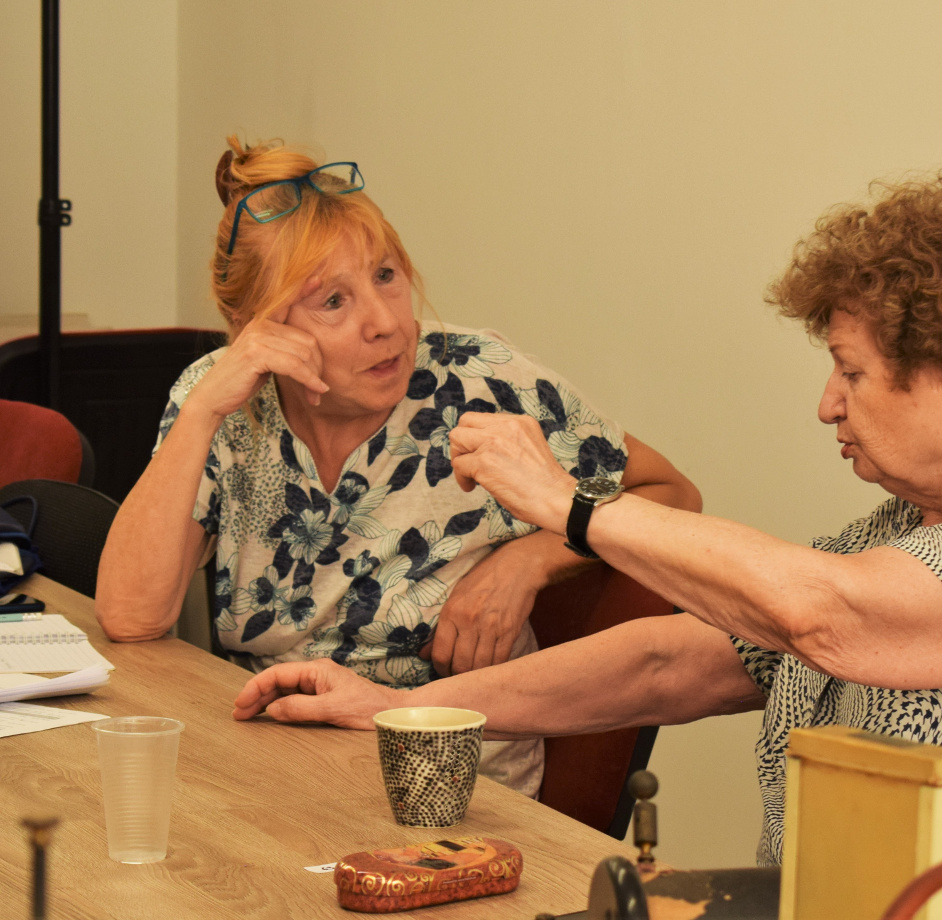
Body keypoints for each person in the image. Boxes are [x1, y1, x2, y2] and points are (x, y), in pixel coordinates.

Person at [232, 169, 942, 920]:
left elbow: (828, 616)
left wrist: (568, 505)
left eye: (851, 373)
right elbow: (666, 664)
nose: (828, 404)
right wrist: (404, 710)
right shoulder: (890, 535)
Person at [95, 137, 701, 798]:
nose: (385, 322)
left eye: (386, 276)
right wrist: (203, 409)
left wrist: (528, 562)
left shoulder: (478, 379)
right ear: (254, 329)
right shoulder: (222, 401)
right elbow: (130, 618)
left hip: (442, 771)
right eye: (333, 301)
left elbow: (667, 491)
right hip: (269, 757)